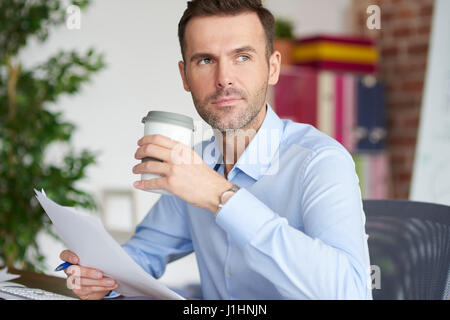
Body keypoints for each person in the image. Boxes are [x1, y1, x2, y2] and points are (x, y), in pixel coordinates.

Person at [60, 0, 372, 300]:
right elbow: (142, 255)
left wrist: (220, 196)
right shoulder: (194, 165)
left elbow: (351, 292)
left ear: (272, 68)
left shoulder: (320, 162)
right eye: (206, 60)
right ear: (185, 76)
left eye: (242, 57)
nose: (224, 79)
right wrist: (99, 276)